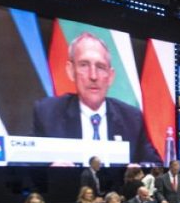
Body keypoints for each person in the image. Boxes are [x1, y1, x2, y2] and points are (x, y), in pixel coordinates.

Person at [31, 33, 160, 163]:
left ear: (110, 76)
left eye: (100, 67)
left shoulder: (131, 119)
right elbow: (27, 164)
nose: (93, 76)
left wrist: (140, 171)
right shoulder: (48, 114)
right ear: (71, 71)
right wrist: (51, 171)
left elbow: (156, 165)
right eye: (84, 65)